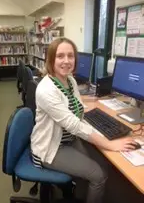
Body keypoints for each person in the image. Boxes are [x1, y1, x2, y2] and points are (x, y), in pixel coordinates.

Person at [31, 37, 136, 203]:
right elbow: (73, 124)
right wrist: (108, 143)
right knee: (99, 175)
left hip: (69, 140)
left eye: (70, 56)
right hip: (51, 147)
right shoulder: (46, 90)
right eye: (60, 56)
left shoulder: (70, 81)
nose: (66, 61)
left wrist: (103, 134)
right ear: (51, 59)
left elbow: (78, 115)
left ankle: (81, 191)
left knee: (103, 163)